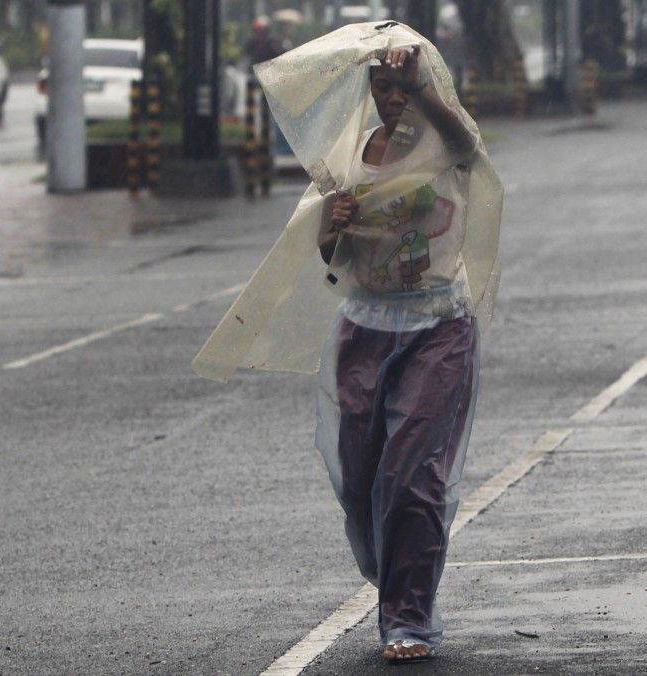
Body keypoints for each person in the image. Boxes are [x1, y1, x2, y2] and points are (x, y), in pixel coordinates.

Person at [192, 21, 503, 664]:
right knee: (362, 478)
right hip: (365, 327)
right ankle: (392, 569)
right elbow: (334, 258)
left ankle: (407, 617)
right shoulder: (352, 155)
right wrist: (330, 228)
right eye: (383, 86)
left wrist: (429, 91)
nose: (393, 97)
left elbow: (469, 146)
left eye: (402, 85)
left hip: (437, 325)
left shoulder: (442, 144)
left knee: (412, 474)